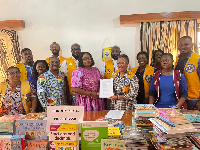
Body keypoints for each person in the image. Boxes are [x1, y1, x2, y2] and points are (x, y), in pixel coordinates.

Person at [175, 36, 200, 110]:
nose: (183, 47)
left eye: (186, 44)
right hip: (179, 98)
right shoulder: (177, 59)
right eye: (180, 45)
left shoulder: (198, 59)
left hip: (194, 99)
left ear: (192, 45)